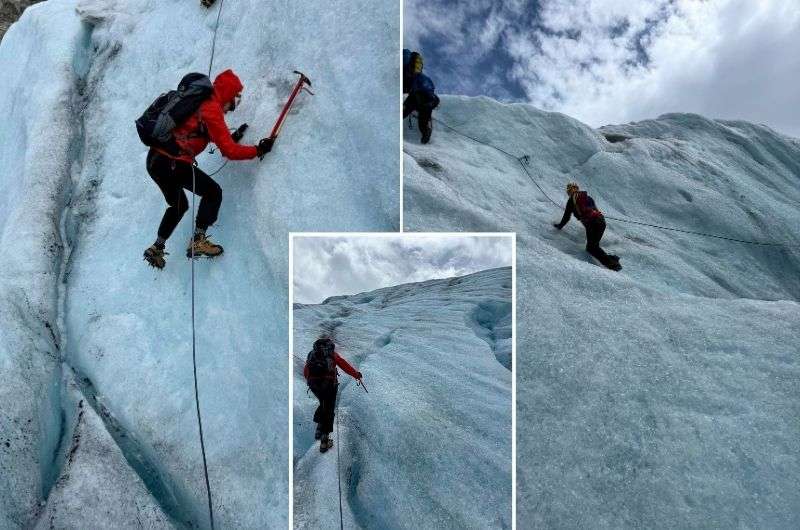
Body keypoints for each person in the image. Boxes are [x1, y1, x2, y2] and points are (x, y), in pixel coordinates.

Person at [143, 69, 274, 269]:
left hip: (155, 161)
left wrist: (234, 137)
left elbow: (210, 136)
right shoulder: (212, 108)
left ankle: (157, 247)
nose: (232, 109)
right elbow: (229, 151)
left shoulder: (200, 105)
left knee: (178, 206)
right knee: (213, 192)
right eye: (235, 102)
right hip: (173, 162)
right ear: (229, 95)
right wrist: (257, 150)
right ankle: (198, 240)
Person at [303, 337, 362, 452]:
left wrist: (314, 382)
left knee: (323, 404)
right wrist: (356, 374)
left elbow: (306, 372)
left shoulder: (312, 355)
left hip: (314, 385)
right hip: (329, 385)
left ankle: (319, 428)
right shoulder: (332, 354)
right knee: (329, 409)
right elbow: (344, 365)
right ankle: (325, 441)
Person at [553, 182, 621, 271]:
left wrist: (559, 226)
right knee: (594, 246)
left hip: (591, 224)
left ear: (569, 192)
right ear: (577, 188)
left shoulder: (571, 200)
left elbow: (566, 217)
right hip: (601, 222)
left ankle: (613, 265)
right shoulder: (588, 197)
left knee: (591, 248)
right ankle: (612, 259)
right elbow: (596, 210)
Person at [402, 49, 439, 144]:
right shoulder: (420, 78)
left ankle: (426, 130)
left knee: (413, 107)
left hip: (416, 96)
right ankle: (426, 130)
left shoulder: (410, 74)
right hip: (418, 96)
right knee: (423, 108)